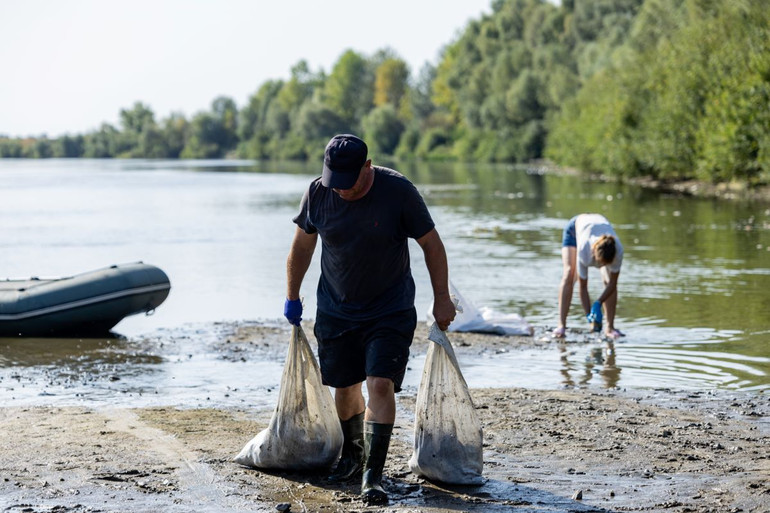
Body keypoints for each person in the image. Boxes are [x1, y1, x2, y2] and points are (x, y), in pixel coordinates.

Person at [283, 134, 456, 505]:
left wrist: (442, 297)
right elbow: (302, 245)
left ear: (368, 166)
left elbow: (431, 244)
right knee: (344, 388)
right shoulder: (318, 192)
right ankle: (353, 456)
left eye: (349, 181)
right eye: (335, 181)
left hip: (389, 309)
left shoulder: (398, 192)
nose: (341, 190)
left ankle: (372, 477)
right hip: (336, 308)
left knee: (379, 385)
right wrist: (292, 296)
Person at [553, 213, 625, 339]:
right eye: (600, 263)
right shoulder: (584, 250)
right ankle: (561, 325)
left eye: (605, 264)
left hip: (598, 225)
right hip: (574, 229)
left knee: (607, 280)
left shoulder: (618, 250)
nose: (600, 266)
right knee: (570, 273)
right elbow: (583, 287)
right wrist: (590, 316)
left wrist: (598, 302)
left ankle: (610, 327)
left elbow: (613, 284)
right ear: (594, 256)